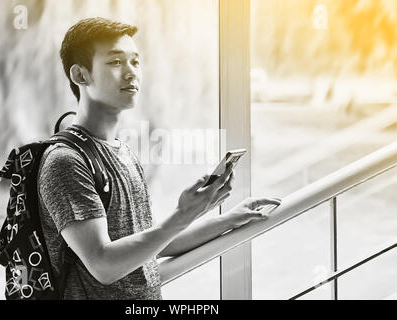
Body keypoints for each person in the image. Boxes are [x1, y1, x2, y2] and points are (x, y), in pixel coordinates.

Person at [37, 17, 281, 300]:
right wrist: (183, 214)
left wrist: (228, 219)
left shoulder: (123, 152)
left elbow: (150, 242)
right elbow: (103, 264)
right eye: (116, 62)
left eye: (135, 62)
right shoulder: (65, 161)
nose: (131, 73)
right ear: (80, 76)